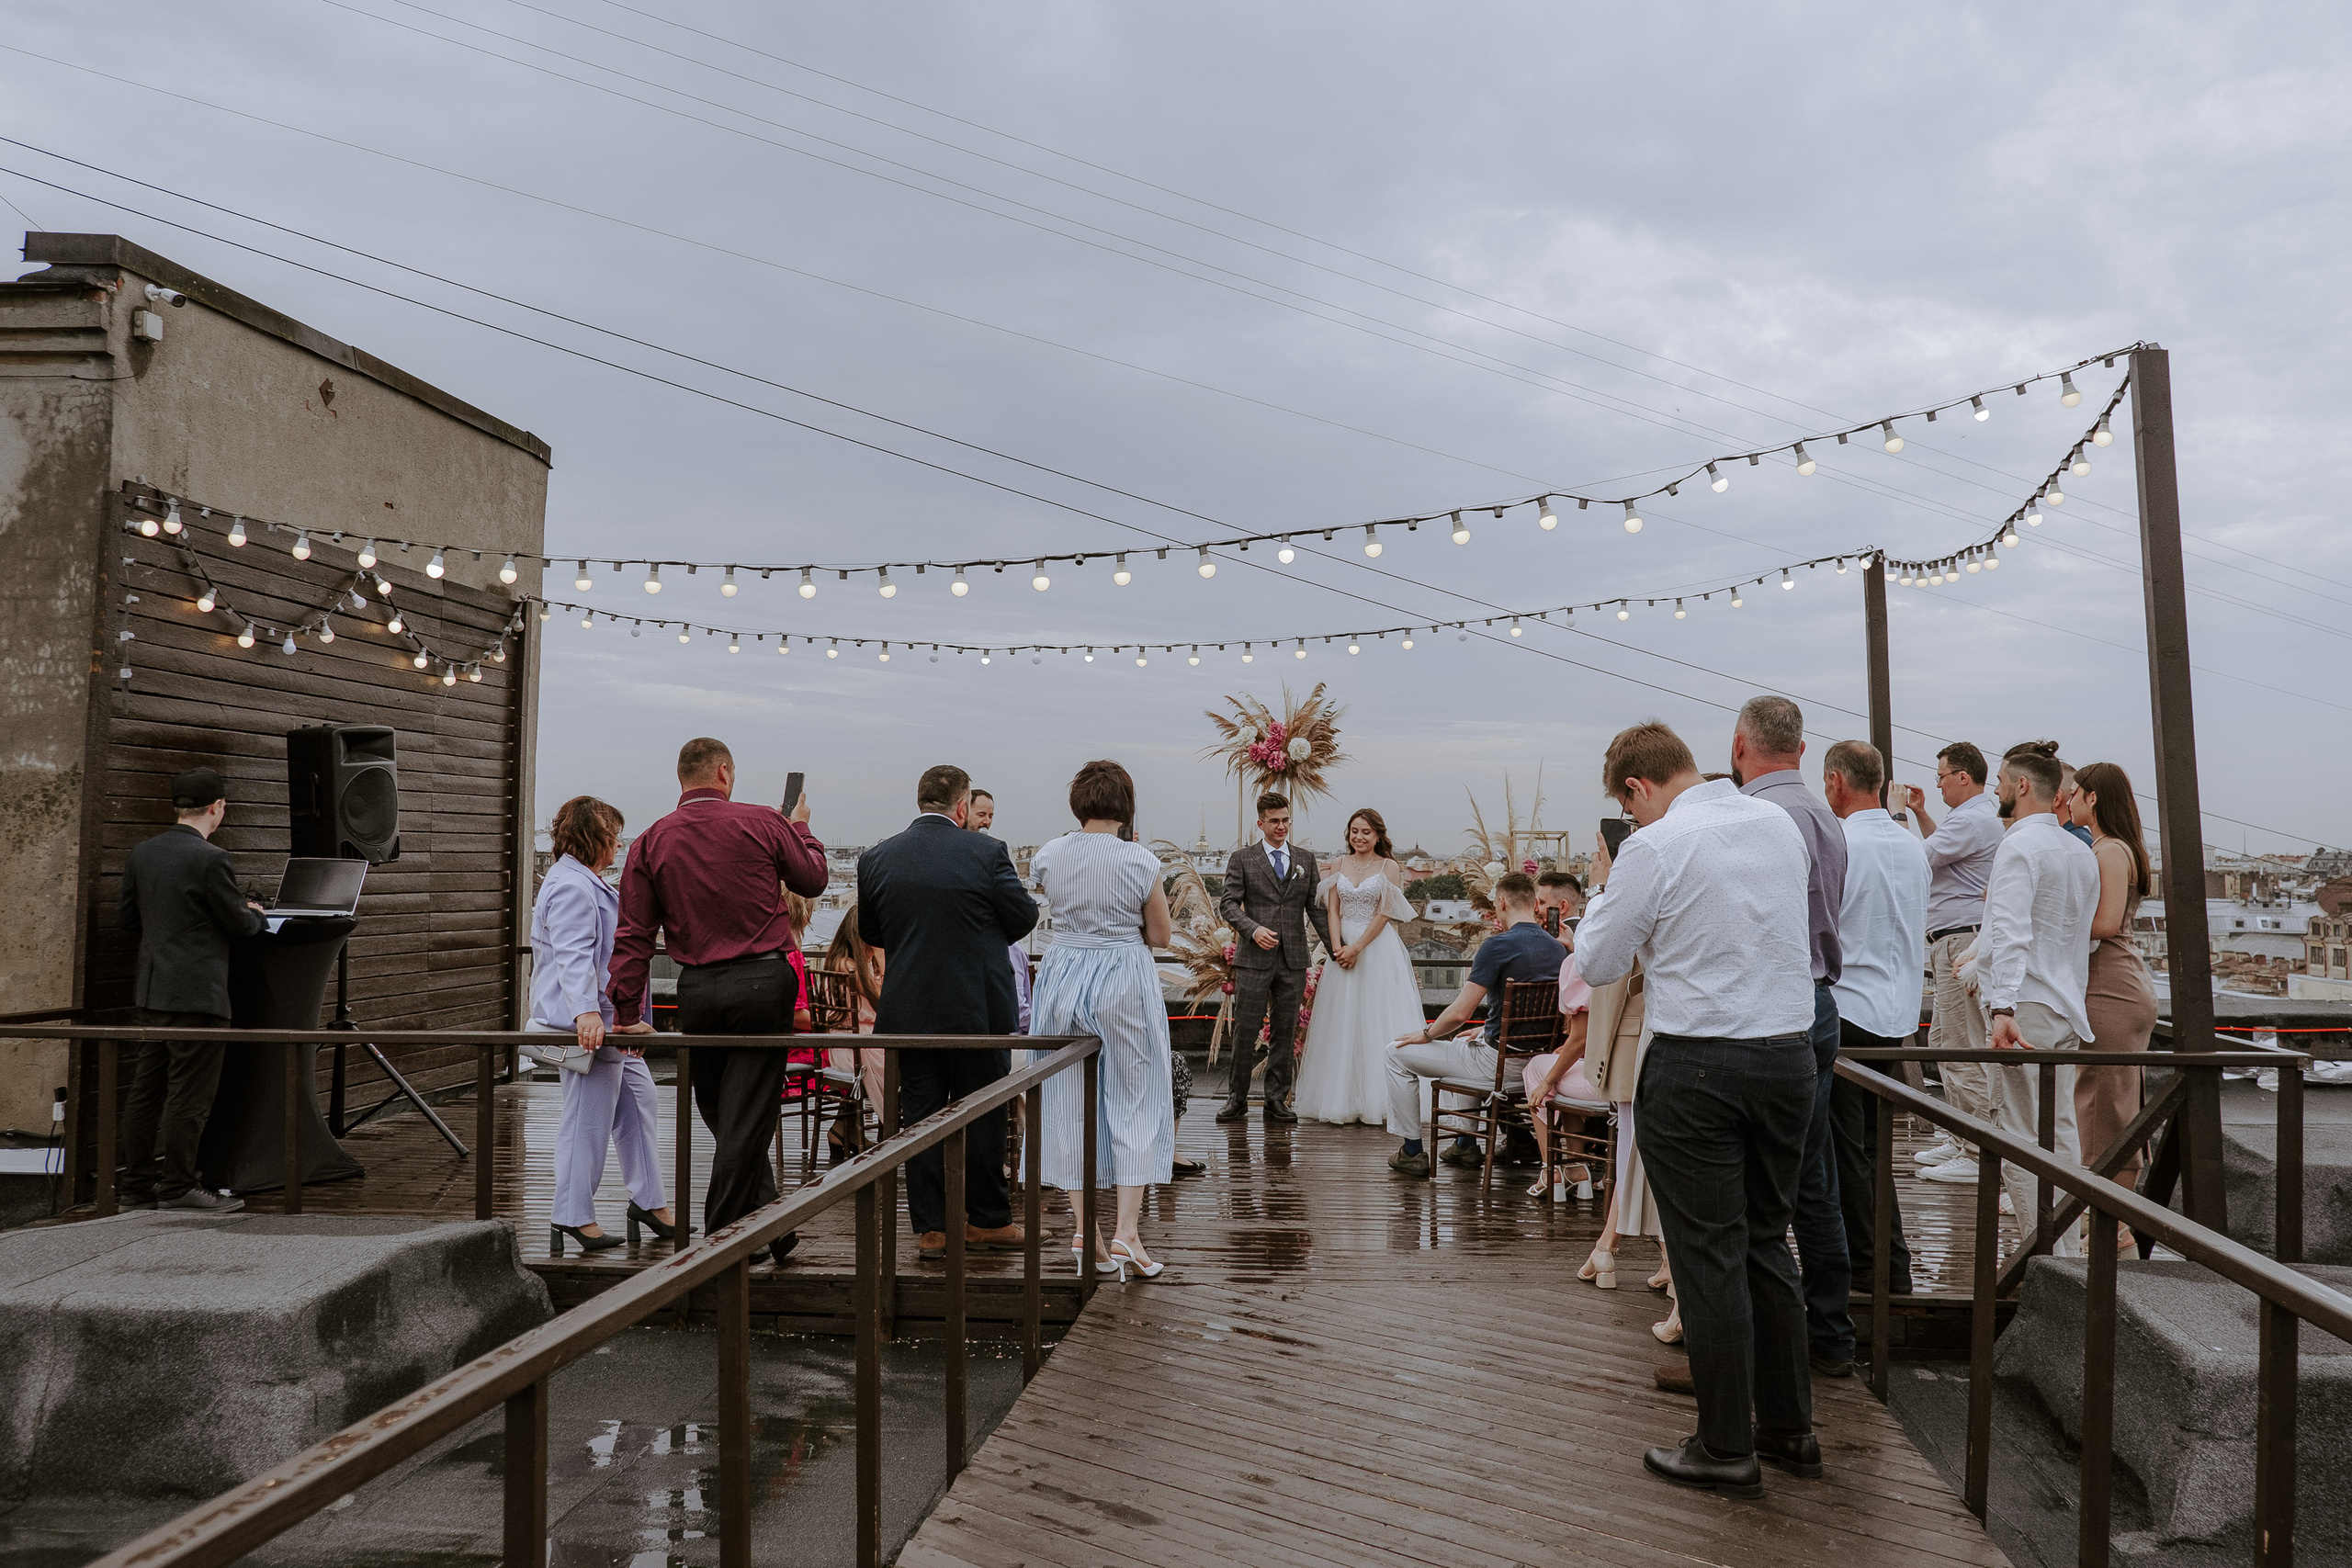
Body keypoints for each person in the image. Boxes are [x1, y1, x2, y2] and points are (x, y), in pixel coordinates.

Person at [1575, 721, 1819, 1497]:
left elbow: (1601, 959)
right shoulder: (1776, 822)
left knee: (1709, 1252)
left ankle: (1723, 1445)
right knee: (1765, 1242)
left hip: (1699, 1061)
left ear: (1637, 790)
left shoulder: (1653, 846)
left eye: (1628, 806)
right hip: (1788, 1054)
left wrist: (1600, 890)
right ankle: (1790, 1430)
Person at [610, 738, 828, 1265]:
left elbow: (634, 933)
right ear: (725, 772)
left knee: (724, 1109)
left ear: (681, 777)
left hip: (698, 989)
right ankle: (726, 1240)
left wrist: (624, 1012)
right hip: (762, 981)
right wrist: (801, 827)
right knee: (745, 1113)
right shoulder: (762, 821)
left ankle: (768, 1226)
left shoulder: (652, 840)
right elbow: (814, 879)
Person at [857, 764, 1039, 1261]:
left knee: (919, 1117)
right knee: (984, 1114)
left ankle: (932, 1228)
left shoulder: (877, 858)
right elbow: (1024, 916)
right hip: (976, 1007)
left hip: (910, 1009)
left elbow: (873, 931)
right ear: (962, 807)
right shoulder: (986, 852)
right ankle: (987, 1220)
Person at [1730, 695, 1854, 1377]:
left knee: (1749, 1182)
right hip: (1819, 1000)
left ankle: (1751, 1339)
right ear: (1803, 751)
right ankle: (1830, 1334)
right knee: (1815, 1175)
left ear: (1740, 746)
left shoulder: (1752, 817)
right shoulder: (1825, 818)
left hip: (1765, 1008)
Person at [1029, 761, 1177, 1280]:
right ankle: (1127, 1234)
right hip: (1122, 976)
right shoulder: (1140, 860)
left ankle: (1084, 1231)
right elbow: (1159, 936)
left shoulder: (1049, 854)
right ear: (1125, 805)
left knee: (1067, 1099)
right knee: (1135, 1096)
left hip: (1063, 973)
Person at [115, 767, 267, 1213]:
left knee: (146, 1092)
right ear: (217, 808)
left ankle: (135, 1188)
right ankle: (179, 1187)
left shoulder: (142, 853)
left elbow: (128, 918)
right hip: (198, 996)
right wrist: (253, 911)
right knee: (189, 1095)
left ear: (177, 808)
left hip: (152, 992)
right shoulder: (211, 859)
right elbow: (239, 924)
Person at [528, 795, 673, 1254]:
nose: (617, 847)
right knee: (587, 1119)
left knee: (639, 1099)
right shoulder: (573, 886)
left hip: (607, 1026)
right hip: (591, 1028)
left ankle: (648, 1202)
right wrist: (586, 1012)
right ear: (597, 838)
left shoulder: (578, 880)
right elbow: (573, 955)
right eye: (613, 837)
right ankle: (572, 1215)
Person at [1974, 741, 2101, 1243]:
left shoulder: (2019, 846)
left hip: (2025, 1007)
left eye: (2002, 782)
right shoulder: (2080, 851)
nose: (1999, 791)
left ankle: (2047, 1258)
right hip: (2067, 1006)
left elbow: (2008, 930)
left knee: (2021, 1137)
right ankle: (2068, 1249)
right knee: (2062, 1132)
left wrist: (2001, 1006)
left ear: (2022, 786)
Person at [1820, 742, 1922, 1297]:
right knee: (1876, 1148)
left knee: (1845, 1151)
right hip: (1896, 1013)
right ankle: (1892, 1264)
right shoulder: (1912, 847)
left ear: (1836, 782)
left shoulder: (1840, 842)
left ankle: (1866, 1265)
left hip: (1845, 1006)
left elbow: (1822, 927)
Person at [1382, 873, 1566, 1175]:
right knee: (1464, 1043)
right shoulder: (1557, 948)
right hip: (1537, 1067)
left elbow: (1458, 1014)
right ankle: (1466, 1145)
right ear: (1534, 904)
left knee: (1395, 1052)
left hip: (1495, 1067)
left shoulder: (1498, 946)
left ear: (1501, 903)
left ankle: (1412, 1151)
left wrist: (1426, 1034)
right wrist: (1485, 1029)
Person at [2072, 761, 2158, 1250]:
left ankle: (2116, 1227)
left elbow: (2104, 924)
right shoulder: (2110, 847)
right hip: (2110, 985)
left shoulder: (2108, 850)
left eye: (2077, 793)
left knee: (2110, 1106)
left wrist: (2043, 927)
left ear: (2094, 798)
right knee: (2099, 1099)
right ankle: (2101, 1216)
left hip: (2112, 987)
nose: (2069, 801)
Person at [1293, 808, 1422, 1126]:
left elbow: (1385, 913)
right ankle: (1341, 1097)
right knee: (1342, 1020)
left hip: (1375, 946)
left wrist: (1358, 947)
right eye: (1354, 831)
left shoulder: (1389, 867)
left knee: (1376, 1017)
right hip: (1343, 945)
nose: (1359, 837)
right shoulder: (1339, 863)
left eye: (1365, 831)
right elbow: (1332, 908)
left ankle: (1380, 1100)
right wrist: (1336, 947)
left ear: (1378, 835)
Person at [1215, 792, 1333, 1124]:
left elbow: (1316, 910)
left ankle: (1276, 1100)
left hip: (1294, 959)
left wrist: (1337, 950)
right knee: (1244, 1031)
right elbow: (1228, 904)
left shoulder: (1305, 860)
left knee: (1286, 1030)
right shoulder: (1242, 859)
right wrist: (1252, 930)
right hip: (1253, 958)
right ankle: (1236, 1099)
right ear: (1261, 823)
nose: (1282, 827)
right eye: (1275, 821)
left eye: (1286, 821)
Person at [1521, 948, 1596, 1196]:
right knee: (1565, 1067)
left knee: (1536, 1069)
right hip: (1638, 1074)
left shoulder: (1582, 962)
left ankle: (1550, 1170)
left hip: (1604, 1082)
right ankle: (1576, 1168)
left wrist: (1547, 1082)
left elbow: (1579, 1040)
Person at [1535, 870, 1585, 935]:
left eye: (1541, 902)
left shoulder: (1558, 940)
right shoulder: (1585, 933)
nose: (1535, 908)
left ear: (1562, 907)